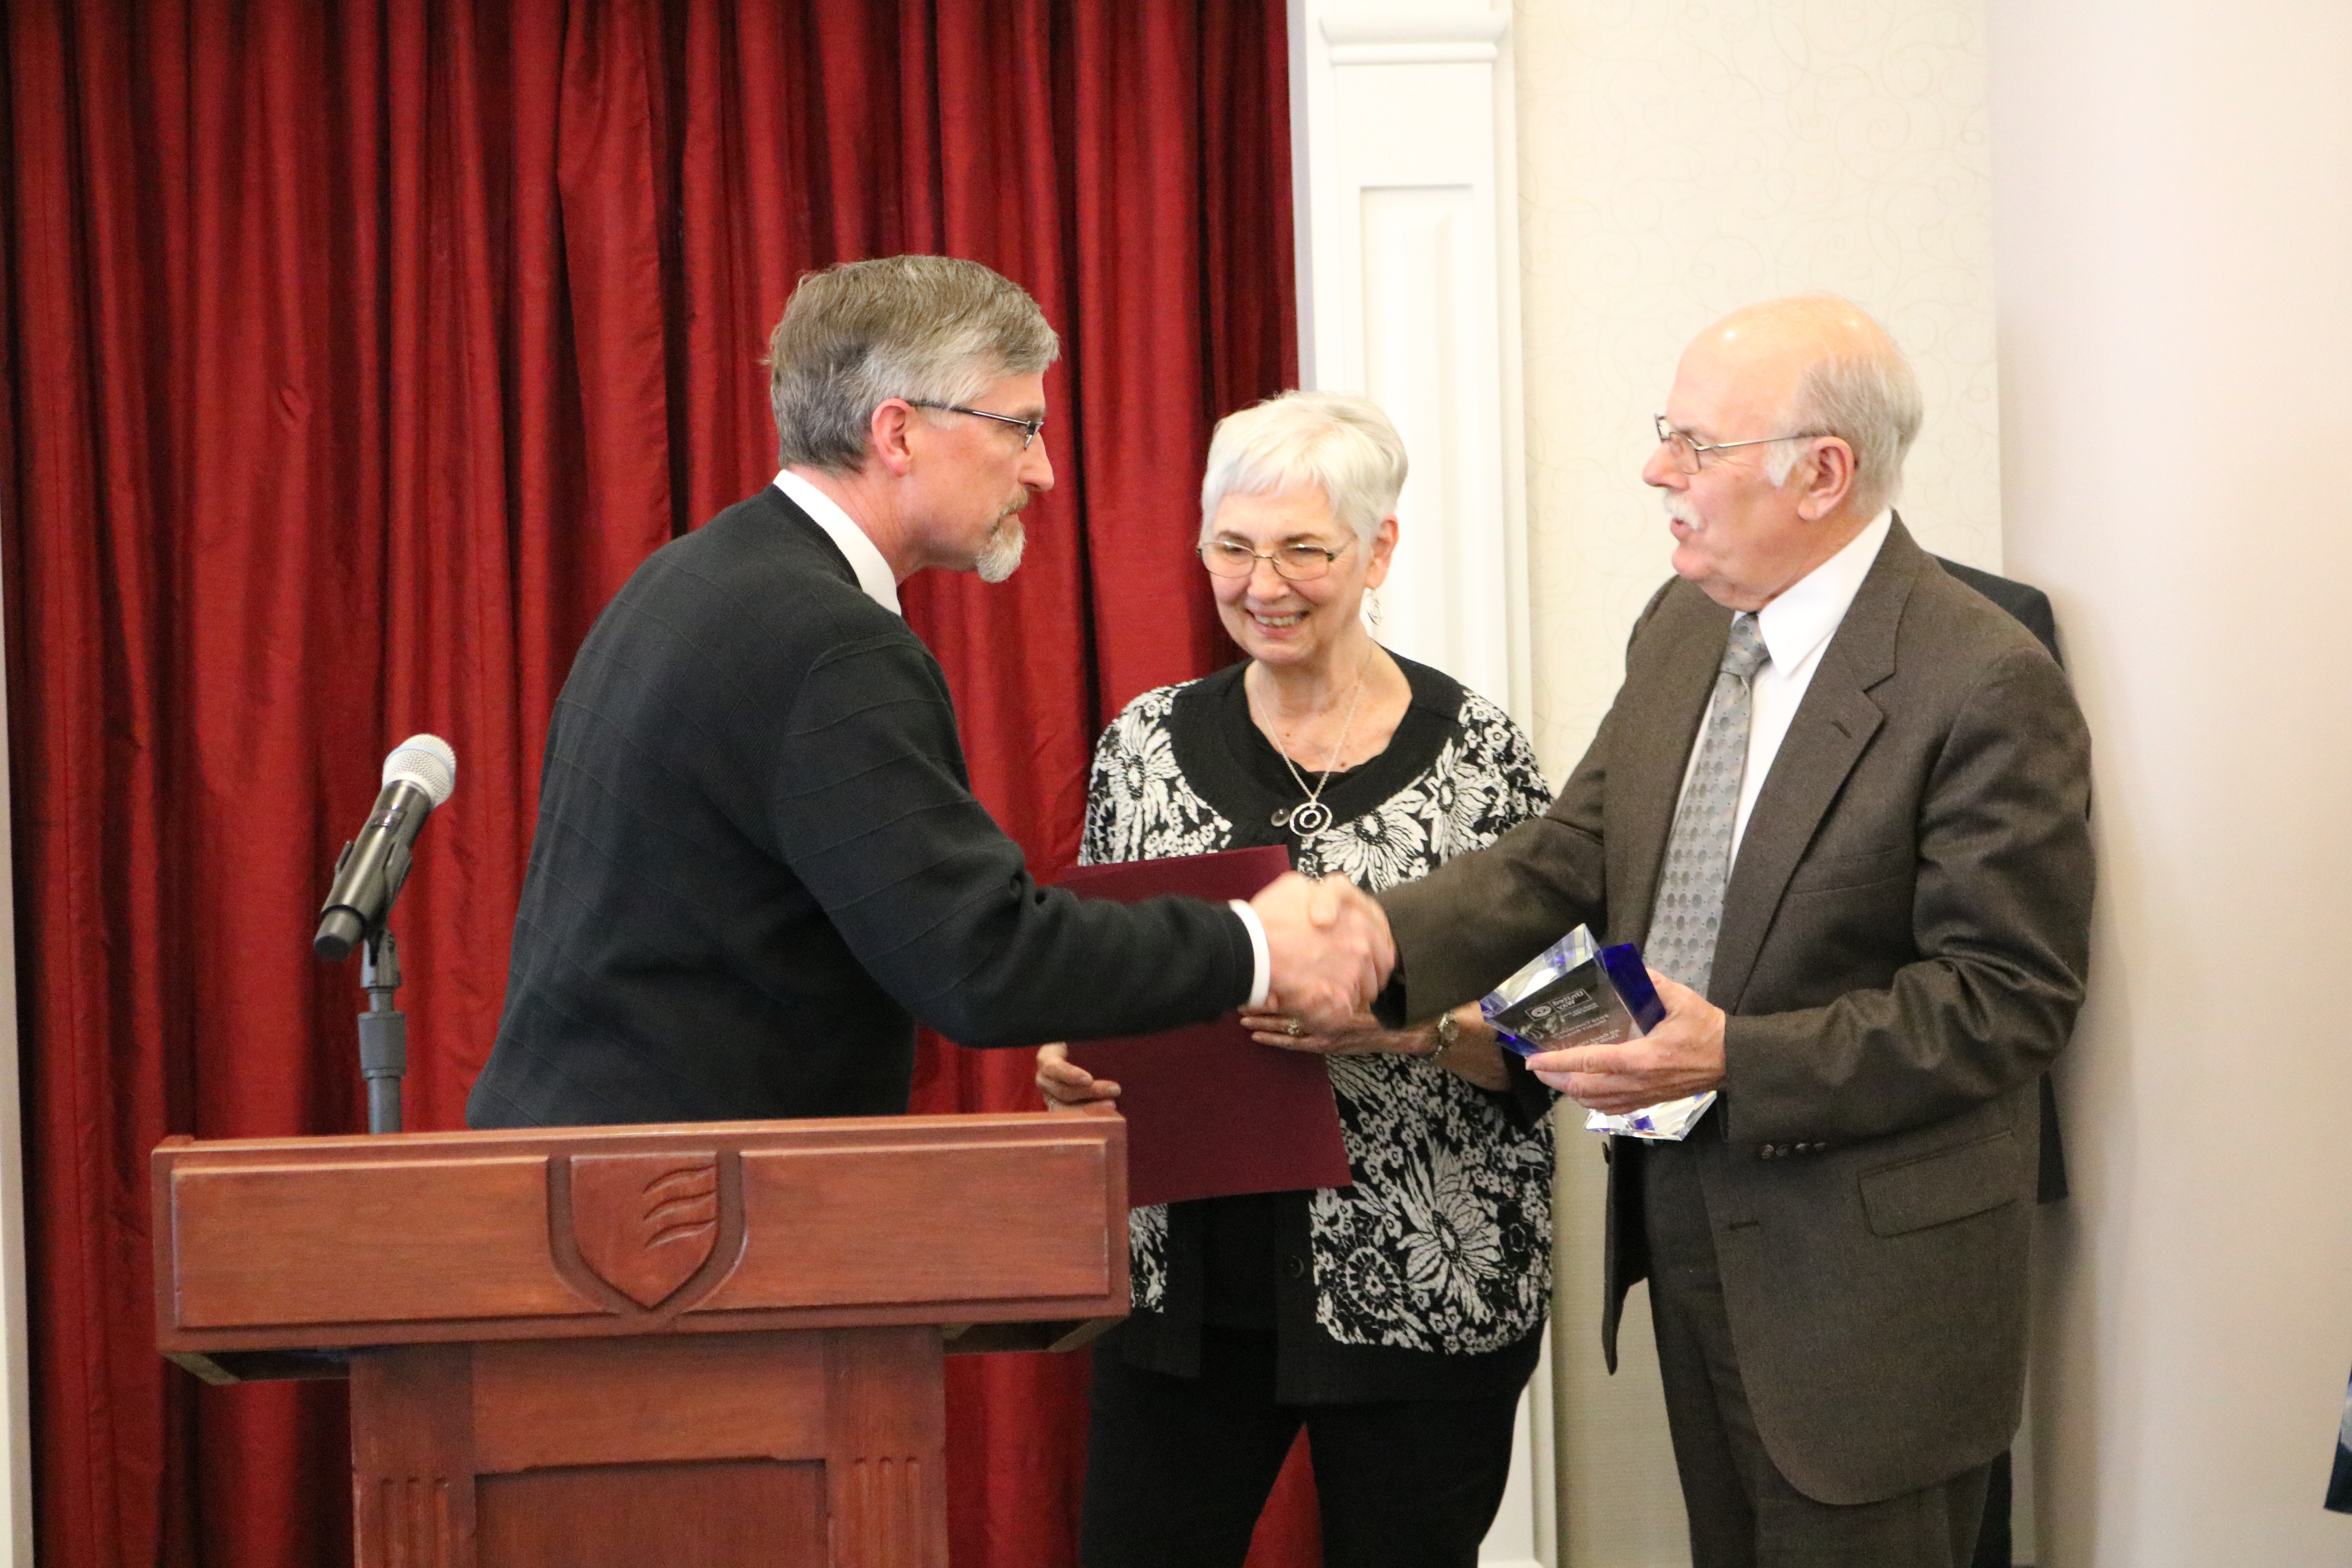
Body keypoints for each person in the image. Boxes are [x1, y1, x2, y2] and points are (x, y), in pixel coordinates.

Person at [1376, 298, 2094, 1568]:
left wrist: (1733, 1060)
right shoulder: (1682, 626)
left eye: (1695, 444)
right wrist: (1365, 954)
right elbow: (1572, 860)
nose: (1659, 470)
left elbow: (2006, 997)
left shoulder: (1980, 675)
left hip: (1869, 1291)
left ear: (1823, 473)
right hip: (1687, 1214)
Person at [467, 256, 1392, 1132]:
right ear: (899, 432)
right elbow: (982, 959)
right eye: (1019, 428)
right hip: (677, 1218)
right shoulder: (827, 640)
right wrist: (1257, 946)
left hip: (610, 1182)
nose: (1042, 471)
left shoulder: (696, 574)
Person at [1035, 392, 1557, 1568]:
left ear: (1379, 550)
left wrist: (1404, 1033)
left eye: (1304, 551)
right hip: (1184, 1295)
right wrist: (1071, 1057)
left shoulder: (1482, 754)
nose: (1262, 585)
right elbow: (1097, 967)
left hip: (1430, 1285)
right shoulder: (1144, 743)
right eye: (1233, 547)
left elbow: (1563, 1026)